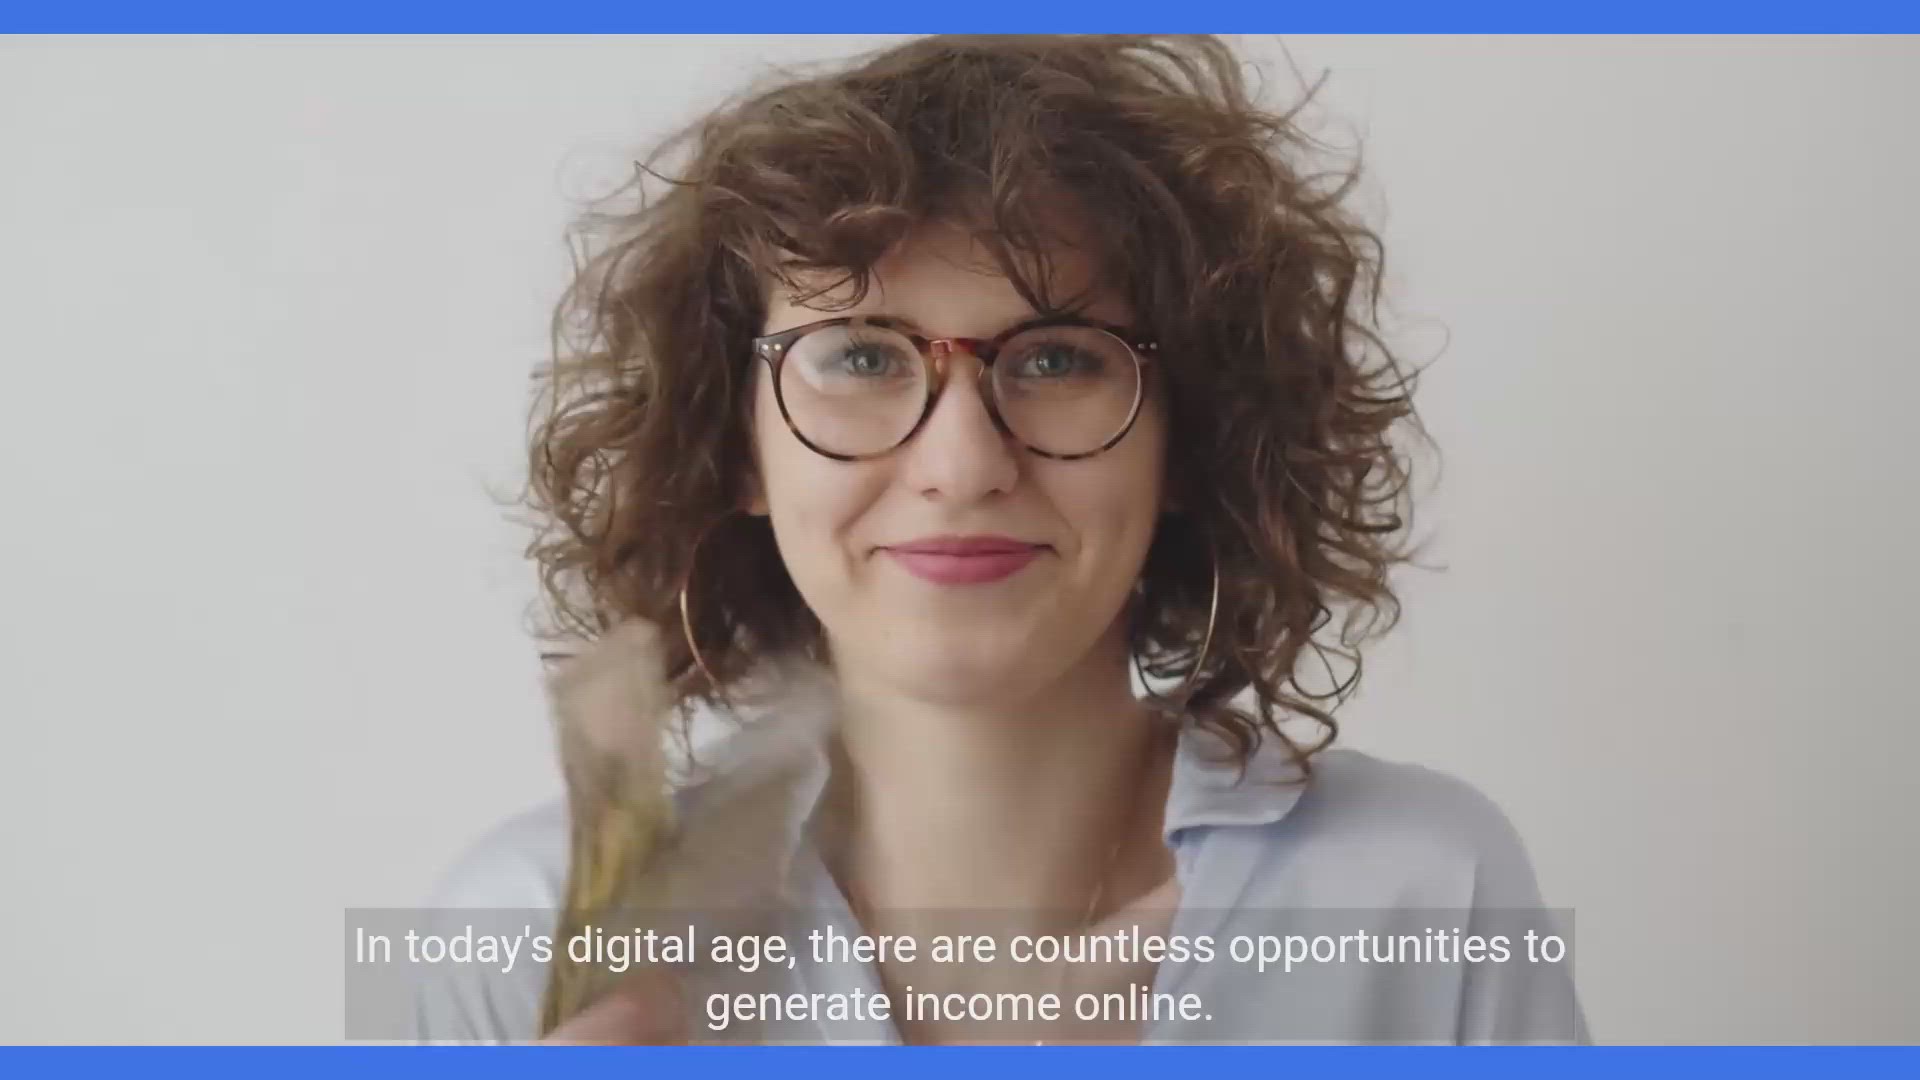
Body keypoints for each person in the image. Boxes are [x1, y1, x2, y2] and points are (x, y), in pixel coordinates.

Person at [410, 34, 1586, 1045]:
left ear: (1191, 439)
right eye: (859, 356)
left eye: (1060, 357)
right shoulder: (530, 933)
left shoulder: (1426, 892)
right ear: (735, 447)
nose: (964, 462)